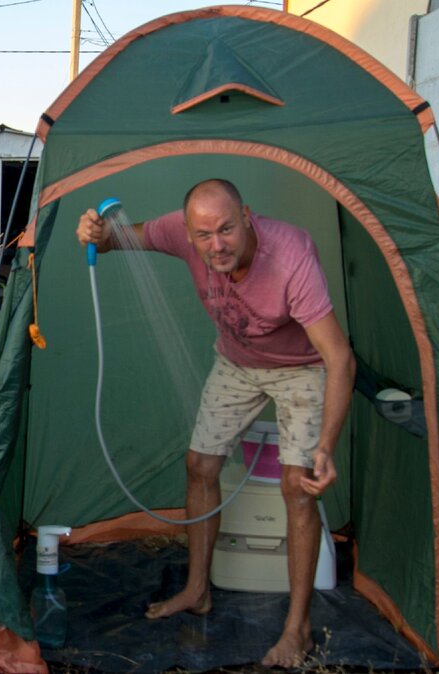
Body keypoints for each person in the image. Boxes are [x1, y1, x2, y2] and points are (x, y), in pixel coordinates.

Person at [76, 179, 355, 669]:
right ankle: (198, 590)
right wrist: (94, 232)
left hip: (302, 368)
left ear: (247, 216)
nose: (217, 245)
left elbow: (340, 357)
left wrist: (326, 446)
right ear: (187, 232)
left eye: (226, 229)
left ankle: (298, 629)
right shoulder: (181, 234)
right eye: (203, 235)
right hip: (237, 362)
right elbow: (117, 239)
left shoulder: (291, 254)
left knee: (298, 486)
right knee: (199, 465)